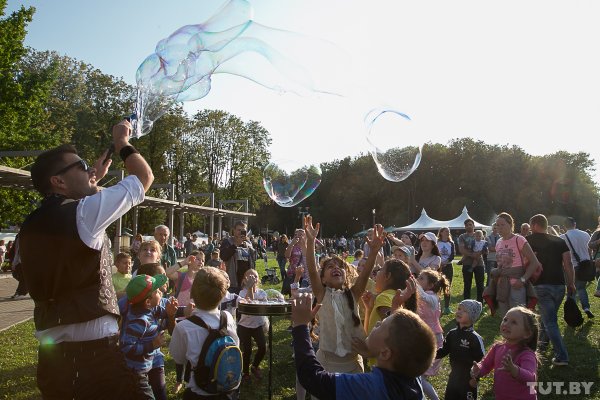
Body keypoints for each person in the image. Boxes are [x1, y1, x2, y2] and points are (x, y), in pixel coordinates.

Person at [19, 119, 154, 399]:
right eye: (81, 166)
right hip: (95, 359)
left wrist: (91, 182)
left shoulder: (29, 226)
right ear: (58, 181)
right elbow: (143, 178)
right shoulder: (83, 215)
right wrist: (122, 143)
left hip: (53, 363)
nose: (90, 169)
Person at [291, 292, 435, 400]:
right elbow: (407, 342)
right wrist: (396, 309)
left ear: (385, 353)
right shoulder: (413, 381)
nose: (378, 323)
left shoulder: (370, 387)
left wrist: (301, 326)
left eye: (381, 325)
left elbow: (312, 378)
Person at [304, 216, 382, 374]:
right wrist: (311, 241)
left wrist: (374, 252)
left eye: (340, 267)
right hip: (326, 364)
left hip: (353, 364)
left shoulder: (353, 293)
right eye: (330, 266)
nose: (336, 268)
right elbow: (312, 270)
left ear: (347, 275)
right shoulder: (322, 294)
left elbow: (366, 272)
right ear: (323, 279)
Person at [169, 266, 240, 399]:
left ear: (192, 293)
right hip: (228, 388)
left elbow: (179, 358)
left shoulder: (184, 327)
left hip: (200, 391)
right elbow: (236, 343)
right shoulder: (227, 317)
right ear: (223, 294)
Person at [526, 214, 575, 367]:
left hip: (540, 285)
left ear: (534, 225)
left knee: (550, 321)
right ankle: (542, 345)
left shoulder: (528, 241)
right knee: (548, 318)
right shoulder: (559, 241)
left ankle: (562, 356)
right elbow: (568, 264)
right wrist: (571, 283)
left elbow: (524, 262)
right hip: (559, 285)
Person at [121, 274, 177, 399]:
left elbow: (165, 312)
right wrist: (152, 345)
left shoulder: (150, 309)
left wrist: (179, 311)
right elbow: (126, 348)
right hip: (135, 372)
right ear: (147, 301)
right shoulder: (139, 321)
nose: (161, 291)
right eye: (157, 291)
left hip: (145, 366)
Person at [471, 306, 539, 400]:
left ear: (527, 333)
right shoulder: (497, 347)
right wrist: (478, 369)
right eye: (505, 319)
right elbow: (486, 365)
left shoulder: (526, 354)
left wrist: (514, 370)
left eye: (514, 322)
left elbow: (531, 379)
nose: (506, 324)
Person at [488, 212, 541, 317]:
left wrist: (522, 280)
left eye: (502, 225)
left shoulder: (519, 239)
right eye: (497, 225)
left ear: (511, 225)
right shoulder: (498, 242)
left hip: (516, 285)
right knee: (505, 317)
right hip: (502, 284)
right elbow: (500, 264)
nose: (499, 228)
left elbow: (534, 262)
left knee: (518, 317)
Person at [436, 299, 485, 400]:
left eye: (464, 310)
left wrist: (475, 378)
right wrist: (429, 354)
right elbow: (444, 350)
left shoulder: (475, 338)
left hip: (468, 381)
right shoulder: (452, 334)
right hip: (453, 378)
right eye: (459, 309)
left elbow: (481, 361)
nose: (459, 312)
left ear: (472, 316)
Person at [416, 270, 449, 400]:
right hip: (424, 338)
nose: (418, 279)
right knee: (419, 376)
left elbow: (424, 296)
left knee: (419, 376)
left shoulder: (433, 298)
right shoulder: (422, 295)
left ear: (430, 285)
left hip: (433, 339)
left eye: (421, 278)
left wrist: (414, 283)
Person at [237, 269, 268, 383]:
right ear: (244, 280)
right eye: (249, 276)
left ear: (258, 279)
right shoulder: (242, 293)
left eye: (254, 276)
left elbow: (264, 307)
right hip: (244, 326)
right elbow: (249, 305)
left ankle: (254, 366)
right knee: (247, 350)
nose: (252, 278)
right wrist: (249, 289)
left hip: (257, 324)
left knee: (263, 347)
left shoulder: (262, 293)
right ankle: (245, 373)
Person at [560, 217, 594, 319]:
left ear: (565, 226)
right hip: (585, 265)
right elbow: (590, 250)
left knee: (571, 289)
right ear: (575, 223)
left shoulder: (562, 237)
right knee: (581, 288)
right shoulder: (585, 234)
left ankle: (571, 313)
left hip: (571, 266)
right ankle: (586, 308)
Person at [219, 220, 256, 294]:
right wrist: (236, 244)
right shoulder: (228, 241)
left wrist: (252, 246)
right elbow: (223, 256)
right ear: (234, 230)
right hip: (232, 282)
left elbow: (254, 258)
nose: (241, 232)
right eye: (239, 230)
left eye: (243, 230)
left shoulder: (248, 244)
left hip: (246, 282)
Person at [458, 219, 486, 302]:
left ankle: (480, 304)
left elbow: (484, 246)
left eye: (470, 224)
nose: (469, 226)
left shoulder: (479, 234)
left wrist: (479, 253)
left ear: (474, 226)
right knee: (467, 285)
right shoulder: (462, 237)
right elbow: (461, 249)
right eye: (467, 225)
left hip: (479, 263)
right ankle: (466, 305)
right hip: (467, 263)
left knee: (480, 285)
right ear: (465, 227)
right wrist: (472, 254)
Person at [437, 227, 455, 315]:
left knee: (447, 286)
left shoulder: (451, 243)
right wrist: (440, 263)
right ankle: (438, 307)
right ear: (441, 233)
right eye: (446, 231)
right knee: (438, 287)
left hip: (448, 267)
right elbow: (435, 253)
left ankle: (447, 307)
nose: (448, 233)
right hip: (438, 267)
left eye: (449, 231)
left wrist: (445, 262)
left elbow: (452, 255)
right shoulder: (437, 243)